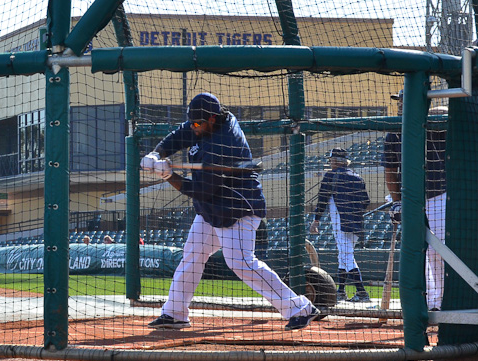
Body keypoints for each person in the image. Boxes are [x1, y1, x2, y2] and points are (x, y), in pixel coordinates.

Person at [141, 92, 320, 331]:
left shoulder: (223, 143)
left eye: (198, 123)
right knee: (192, 256)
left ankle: (300, 308)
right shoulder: (205, 121)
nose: (193, 128)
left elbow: (201, 190)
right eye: (192, 122)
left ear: (213, 119)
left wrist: (168, 175)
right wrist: (157, 153)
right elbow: (180, 134)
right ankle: (174, 312)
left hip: (236, 209)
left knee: (241, 262)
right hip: (212, 209)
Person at [382, 90, 447, 311]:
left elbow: (448, 110)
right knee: (417, 252)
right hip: (410, 199)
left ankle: (440, 301)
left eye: (404, 100)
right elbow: (390, 171)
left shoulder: (434, 122)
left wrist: (422, 110)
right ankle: (428, 302)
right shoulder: (394, 131)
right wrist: (396, 201)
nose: (400, 104)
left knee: (439, 250)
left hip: (438, 195)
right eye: (399, 101)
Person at [309, 147, 371, 303]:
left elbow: (322, 199)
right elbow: (366, 202)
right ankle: (341, 292)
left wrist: (316, 220)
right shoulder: (357, 177)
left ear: (335, 161)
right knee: (343, 255)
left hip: (340, 222)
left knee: (347, 256)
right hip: (357, 223)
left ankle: (362, 293)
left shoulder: (331, 176)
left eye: (331, 161)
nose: (330, 164)